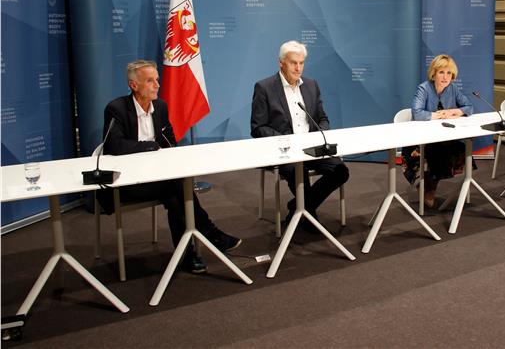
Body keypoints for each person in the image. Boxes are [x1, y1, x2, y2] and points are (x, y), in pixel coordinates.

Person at [100, 60, 241, 274]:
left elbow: (170, 142)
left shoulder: (161, 107)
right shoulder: (116, 109)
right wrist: (150, 146)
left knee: (177, 194)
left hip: (158, 178)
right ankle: (209, 235)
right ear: (133, 85)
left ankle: (188, 254)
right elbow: (114, 146)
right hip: (129, 181)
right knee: (178, 188)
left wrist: (162, 147)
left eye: (157, 80)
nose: (157, 85)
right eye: (150, 81)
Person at [250, 41, 349, 230]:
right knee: (298, 172)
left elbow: (322, 118)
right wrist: (286, 140)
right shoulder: (264, 88)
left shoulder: (311, 85)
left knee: (340, 172)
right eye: (293, 63)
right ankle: (308, 214)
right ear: (281, 63)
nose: (298, 68)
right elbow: (257, 127)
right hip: (284, 150)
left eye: (301, 63)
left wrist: (320, 136)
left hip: (311, 147)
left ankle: (298, 207)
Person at [405, 54, 473, 208]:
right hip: (422, 139)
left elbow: (469, 107)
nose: (445, 77)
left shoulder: (452, 88)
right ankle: (429, 185)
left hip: (443, 136)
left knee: (462, 150)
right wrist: (437, 115)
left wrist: (458, 112)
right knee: (440, 152)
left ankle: (429, 182)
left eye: (449, 73)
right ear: (434, 73)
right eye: (441, 72)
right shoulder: (424, 88)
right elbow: (416, 113)